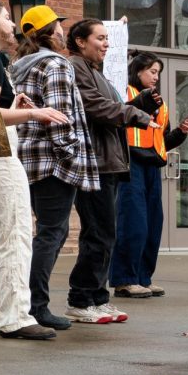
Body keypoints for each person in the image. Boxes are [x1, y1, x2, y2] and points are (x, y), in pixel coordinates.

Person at [0, 1, 66, 340]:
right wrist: (35, 114)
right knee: (17, 232)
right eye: (7, 17)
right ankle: (16, 315)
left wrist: (15, 106)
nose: (12, 23)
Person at [9, 5, 96, 331]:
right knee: (52, 233)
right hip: (54, 163)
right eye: (59, 26)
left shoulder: (19, 65)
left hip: (29, 159)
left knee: (41, 233)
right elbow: (60, 115)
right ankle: (37, 306)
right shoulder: (56, 64)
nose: (63, 30)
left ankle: (29, 302)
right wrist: (71, 155)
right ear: (51, 31)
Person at [64, 20, 156, 324]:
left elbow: (109, 105)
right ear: (80, 41)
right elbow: (95, 107)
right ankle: (80, 299)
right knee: (98, 233)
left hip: (109, 164)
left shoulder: (94, 71)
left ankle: (97, 299)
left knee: (105, 234)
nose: (106, 44)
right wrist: (136, 113)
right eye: (100, 38)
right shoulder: (76, 67)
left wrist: (136, 103)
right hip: (95, 164)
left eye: (107, 38)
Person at [110, 52, 188, 298]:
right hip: (130, 165)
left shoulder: (160, 104)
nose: (156, 77)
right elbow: (116, 122)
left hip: (152, 167)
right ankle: (124, 280)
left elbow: (160, 141)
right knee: (132, 223)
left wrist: (179, 134)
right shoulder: (123, 93)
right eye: (152, 71)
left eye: (158, 72)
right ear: (137, 71)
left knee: (152, 225)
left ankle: (143, 278)